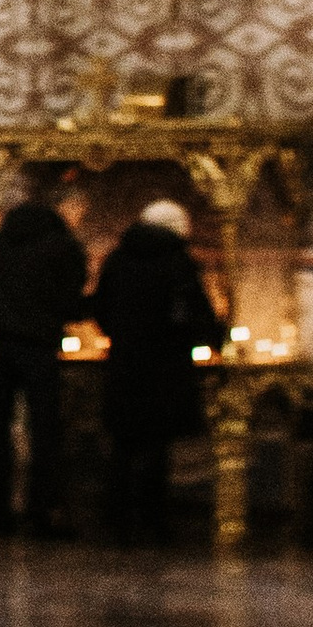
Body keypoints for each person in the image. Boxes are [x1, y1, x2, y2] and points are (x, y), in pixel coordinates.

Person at [94, 195, 221, 541]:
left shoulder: (117, 259)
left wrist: (121, 336)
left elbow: (101, 309)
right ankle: (152, 522)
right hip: (165, 368)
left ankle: (116, 521)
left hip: (123, 363)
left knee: (122, 444)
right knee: (155, 446)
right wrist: (214, 341)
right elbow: (197, 316)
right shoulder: (179, 264)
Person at [0, 169, 92, 533]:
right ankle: (41, 509)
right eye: (80, 210)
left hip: (1, 346)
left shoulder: (4, 238)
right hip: (40, 347)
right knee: (45, 430)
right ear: (67, 207)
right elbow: (71, 301)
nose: (81, 218)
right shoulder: (64, 245)